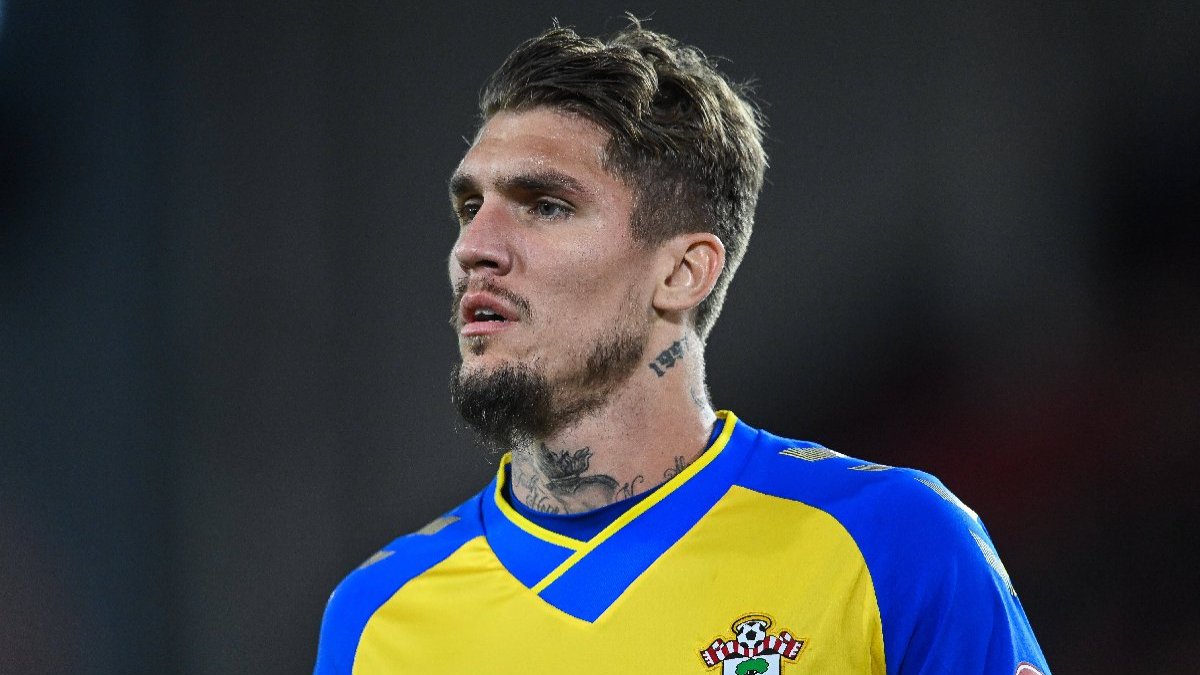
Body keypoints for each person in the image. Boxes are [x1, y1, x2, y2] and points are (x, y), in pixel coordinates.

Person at [314, 19, 1050, 675]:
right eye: (471, 206)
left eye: (546, 206)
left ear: (682, 272)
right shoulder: (375, 617)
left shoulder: (894, 543)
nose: (474, 247)